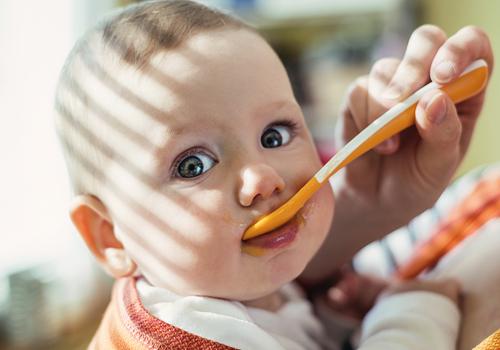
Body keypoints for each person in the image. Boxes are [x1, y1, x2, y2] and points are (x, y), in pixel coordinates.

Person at [53, 1, 494, 349]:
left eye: (275, 135)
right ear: (110, 237)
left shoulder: (236, 284)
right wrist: (410, 315)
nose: (262, 178)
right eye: (193, 165)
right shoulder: (185, 336)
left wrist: (335, 319)